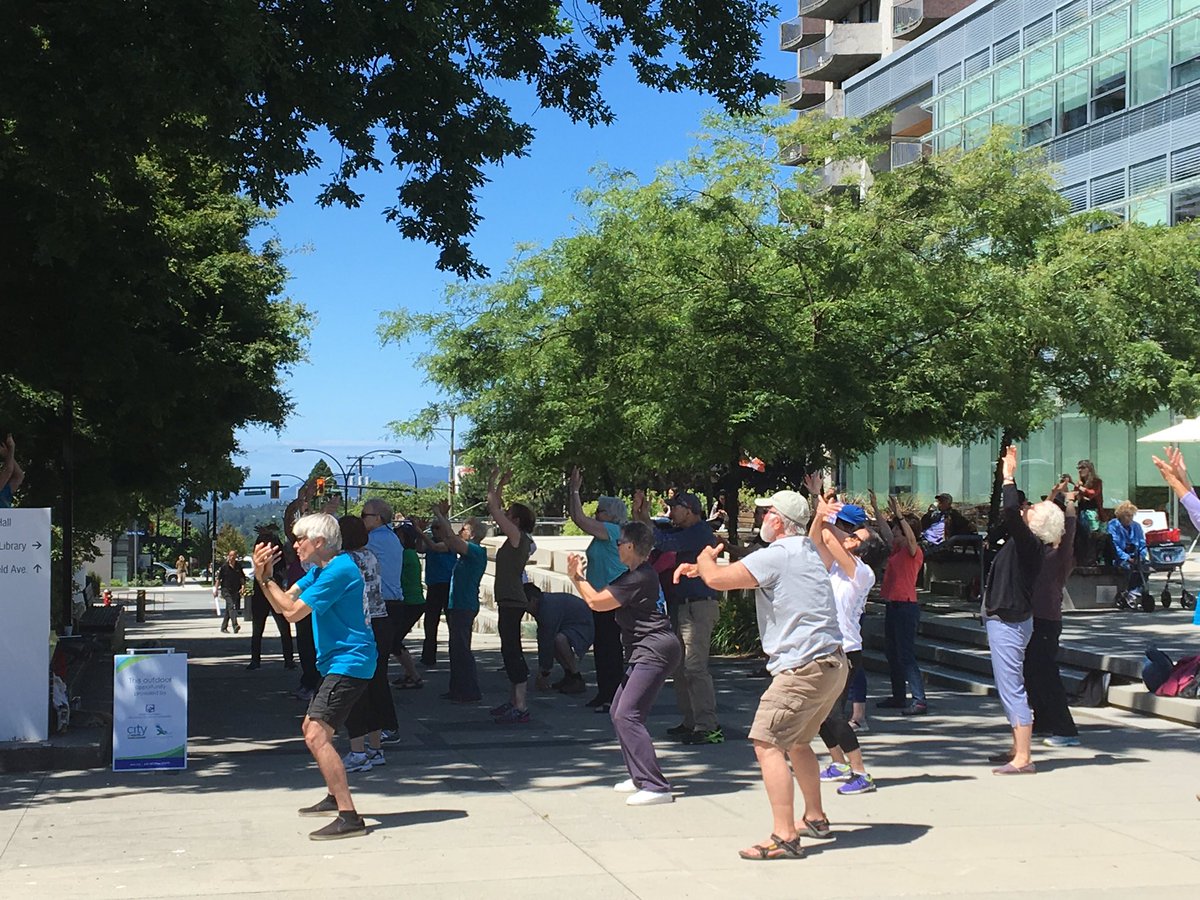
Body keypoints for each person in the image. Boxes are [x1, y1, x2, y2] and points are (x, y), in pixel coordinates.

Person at [680, 489, 846, 860]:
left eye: (766, 512)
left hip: (801, 668)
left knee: (766, 742)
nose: (761, 518)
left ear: (778, 520)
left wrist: (705, 561)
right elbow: (745, 575)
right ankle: (815, 817)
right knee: (798, 741)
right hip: (831, 663)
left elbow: (720, 581)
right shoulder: (805, 550)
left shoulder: (777, 554)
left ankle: (785, 835)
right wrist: (706, 570)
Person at [252, 513, 377, 840]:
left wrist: (264, 579)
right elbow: (285, 602)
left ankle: (349, 816)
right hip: (339, 663)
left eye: (300, 539)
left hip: (351, 663)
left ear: (319, 542)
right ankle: (335, 795)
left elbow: (292, 614)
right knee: (312, 728)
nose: (295, 545)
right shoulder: (322, 570)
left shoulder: (339, 571)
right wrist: (263, 576)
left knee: (315, 735)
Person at [567, 521, 681, 807]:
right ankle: (640, 776)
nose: (617, 547)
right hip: (647, 649)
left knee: (626, 714)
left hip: (654, 649)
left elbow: (596, 602)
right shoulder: (635, 574)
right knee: (620, 710)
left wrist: (576, 577)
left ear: (630, 546)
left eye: (619, 543)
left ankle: (656, 786)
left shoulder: (639, 577)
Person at [983, 445, 1065, 775]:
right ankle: (1018, 746)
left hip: (1009, 621)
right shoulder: (1030, 545)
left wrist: (1008, 477)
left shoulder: (1030, 544)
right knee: (1011, 685)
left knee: (1012, 687)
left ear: (1037, 523)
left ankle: (1024, 757)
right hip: (1010, 618)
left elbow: (1010, 509)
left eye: (1033, 510)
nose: (1027, 510)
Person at [634, 488, 722, 745]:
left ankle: (709, 726)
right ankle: (691, 721)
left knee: (695, 666)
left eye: (675, 507)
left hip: (699, 605)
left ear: (690, 509)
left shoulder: (700, 532)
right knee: (681, 668)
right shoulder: (683, 531)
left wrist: (646, 517)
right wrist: (641, 516)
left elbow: (663, 542)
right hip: (682, 605)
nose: (671, 511)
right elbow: (656, 538)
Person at [813, 499, 885, 797]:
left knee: (833, 714)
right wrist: (820, 512)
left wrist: (825, 512)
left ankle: (860, 772)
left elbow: (829, 535)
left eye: (856, 538)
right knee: (817, 713)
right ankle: (838, 763)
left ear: (863, 550)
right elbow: (818, 537)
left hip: (846, 651)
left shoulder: (862, 573)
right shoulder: (837, 569)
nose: (849, 536)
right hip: (827, 645)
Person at [567, 466, 628, 711]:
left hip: (611, 596)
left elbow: (580, 520)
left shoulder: (612, 531)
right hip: (600, 596)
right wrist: (572, 493)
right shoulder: (605, 532)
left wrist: (574, 490)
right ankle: (605, 693)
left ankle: (612, 695)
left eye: (600, 510)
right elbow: (576, 517)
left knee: (610, 647)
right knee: (602, 646)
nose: (596, 514)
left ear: (611, 514)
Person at [338, 515, 395, 774]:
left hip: (360, 625)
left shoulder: (345, 561)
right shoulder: (370, 555)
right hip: (381, 620)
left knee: (356, 690)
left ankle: (358, 750)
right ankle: (375, 746)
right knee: (376, 685)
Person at [1025, 481, 1079, 747]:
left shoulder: (1060, 556)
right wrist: (1053, 495)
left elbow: (1066, 530)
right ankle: (1043, 719)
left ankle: (1065, 729)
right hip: (1032, 618)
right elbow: (1040, 519)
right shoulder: (1039, 550)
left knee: (1046, 673)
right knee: (1031, 672)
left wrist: (1069, 502)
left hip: (1046, 620)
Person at [486, 467, 536, 724]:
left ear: (516, 520)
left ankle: (521, 704)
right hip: (509, 599)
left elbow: (494, 509)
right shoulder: (518, 537)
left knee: (513, 651)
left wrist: (494, 482)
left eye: (510, 515)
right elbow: (498, 508)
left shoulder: (518, 537)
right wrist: (502, 484)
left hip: (513, 600)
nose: (505, 516)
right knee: (509, 650)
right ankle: (514, 701)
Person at [875, 495, 927, 715]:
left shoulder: (913, 552)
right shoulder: (896, 550)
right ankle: (898, 696)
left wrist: (899, 516)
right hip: (893, 604)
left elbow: (911, 538)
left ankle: (919, 698)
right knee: (892, 653)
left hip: (906, 606)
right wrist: (877, 509)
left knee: (905, 654)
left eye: (898, 531)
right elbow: (885, 530)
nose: (894, 534)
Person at [432, 501, 487, 703]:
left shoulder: (476, 551)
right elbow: (450, 538)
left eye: (465, 528)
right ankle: (458, 688)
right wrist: (443, 517)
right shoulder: (467, 553)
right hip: (458, 604)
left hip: (465, 604)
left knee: (462, 649)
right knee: (456, 648)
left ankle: (469, 689)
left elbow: (451, 539)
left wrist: (440, 515)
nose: (461, 531)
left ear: (472, 534)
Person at [361, 498, 404, 740]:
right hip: (390, 605)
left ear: (378, 518)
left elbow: (342, 548)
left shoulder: (375, 539)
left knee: (376, 670)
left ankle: (387, 724)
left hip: (384, 607)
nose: (362, 520)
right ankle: (378, 723)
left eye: (364, 515)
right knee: (376, 669)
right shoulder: (390, 538)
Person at [526, 584, 595, 694]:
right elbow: (543, 638)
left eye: (526, 605)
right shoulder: (543, 605)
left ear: (533, 600)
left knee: (559, 639)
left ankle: (576, 677)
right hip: (572, 624)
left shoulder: (548, 608)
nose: (526, 610)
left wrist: (544, 673)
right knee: (555, 640)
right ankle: (569, 675)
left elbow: (546, 640)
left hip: (585, 625)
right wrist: (543, 669)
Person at [246, 530, 295, 671]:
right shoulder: (266, 558)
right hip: (265, 592)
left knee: (281, 628)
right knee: (260, 629)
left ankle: (287, 659)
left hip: (273, 591)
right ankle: (257, 659)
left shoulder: (278, 558)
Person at [389, 522, 428, 689]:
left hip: (411, 603)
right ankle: (409, 673)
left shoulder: (405, 555)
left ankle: (414, 676)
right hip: (412, 602)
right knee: (395, 640)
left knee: (394, 641)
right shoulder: (409, 553)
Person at [419, 517, 457, 668]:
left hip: (447, 584)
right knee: (430, 622)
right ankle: (428, 656)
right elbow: (420, 548)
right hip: (434, 584)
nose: (434, 530)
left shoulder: (450, 543)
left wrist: (419, 532)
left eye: (437, 527)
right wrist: (420, 532)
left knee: (452, 623)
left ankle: (456, 654)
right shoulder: (430, 542)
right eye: (432, 528)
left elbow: (434, 546)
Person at [1106, 501, 1148, 605]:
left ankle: (1135, 592)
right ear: (1121, 516)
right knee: (1128, 567)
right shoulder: (1113, 525)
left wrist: (1141, 556)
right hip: (1120, 557)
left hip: (1136, 555)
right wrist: (1127, 557)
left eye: (1131, 515)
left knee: (1146, 567)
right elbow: (1114, 545)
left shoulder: (1136, 526)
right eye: (1127, 516)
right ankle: (1129, 592)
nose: (1129, 518)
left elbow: (1142, 543)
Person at [1073, 459, 1104, 565]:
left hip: (1093, 512)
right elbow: (1075, 497)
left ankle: (1093, 559)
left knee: (1092, 536)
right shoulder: (1080, 483)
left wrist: (1079, 488)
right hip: (1082, 512)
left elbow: (1092, 493)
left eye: (1082, 468)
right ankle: (1082, 558)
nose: (1080, 470)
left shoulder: (1096, 481)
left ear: (1089, 469)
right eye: (1078, 468)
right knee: (1082, 535)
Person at [215, 549, 247, 634]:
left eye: (233, 555)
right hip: (225, 589)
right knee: (231, 606)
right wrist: (216, 590)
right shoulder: (224, 567)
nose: (231, 557)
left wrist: (243, 586)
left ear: (236, 556)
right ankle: (235, 625)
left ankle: (223, 627)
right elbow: (218, 579)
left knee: (228, 609)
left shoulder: (238, 566)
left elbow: (242, 577)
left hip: (235, 590)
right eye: (230, 555)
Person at [0, 433, 26, 508]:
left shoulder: (4, 491)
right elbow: (8, 471)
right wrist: (11, 448)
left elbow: (19, 476)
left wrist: (7, 455)